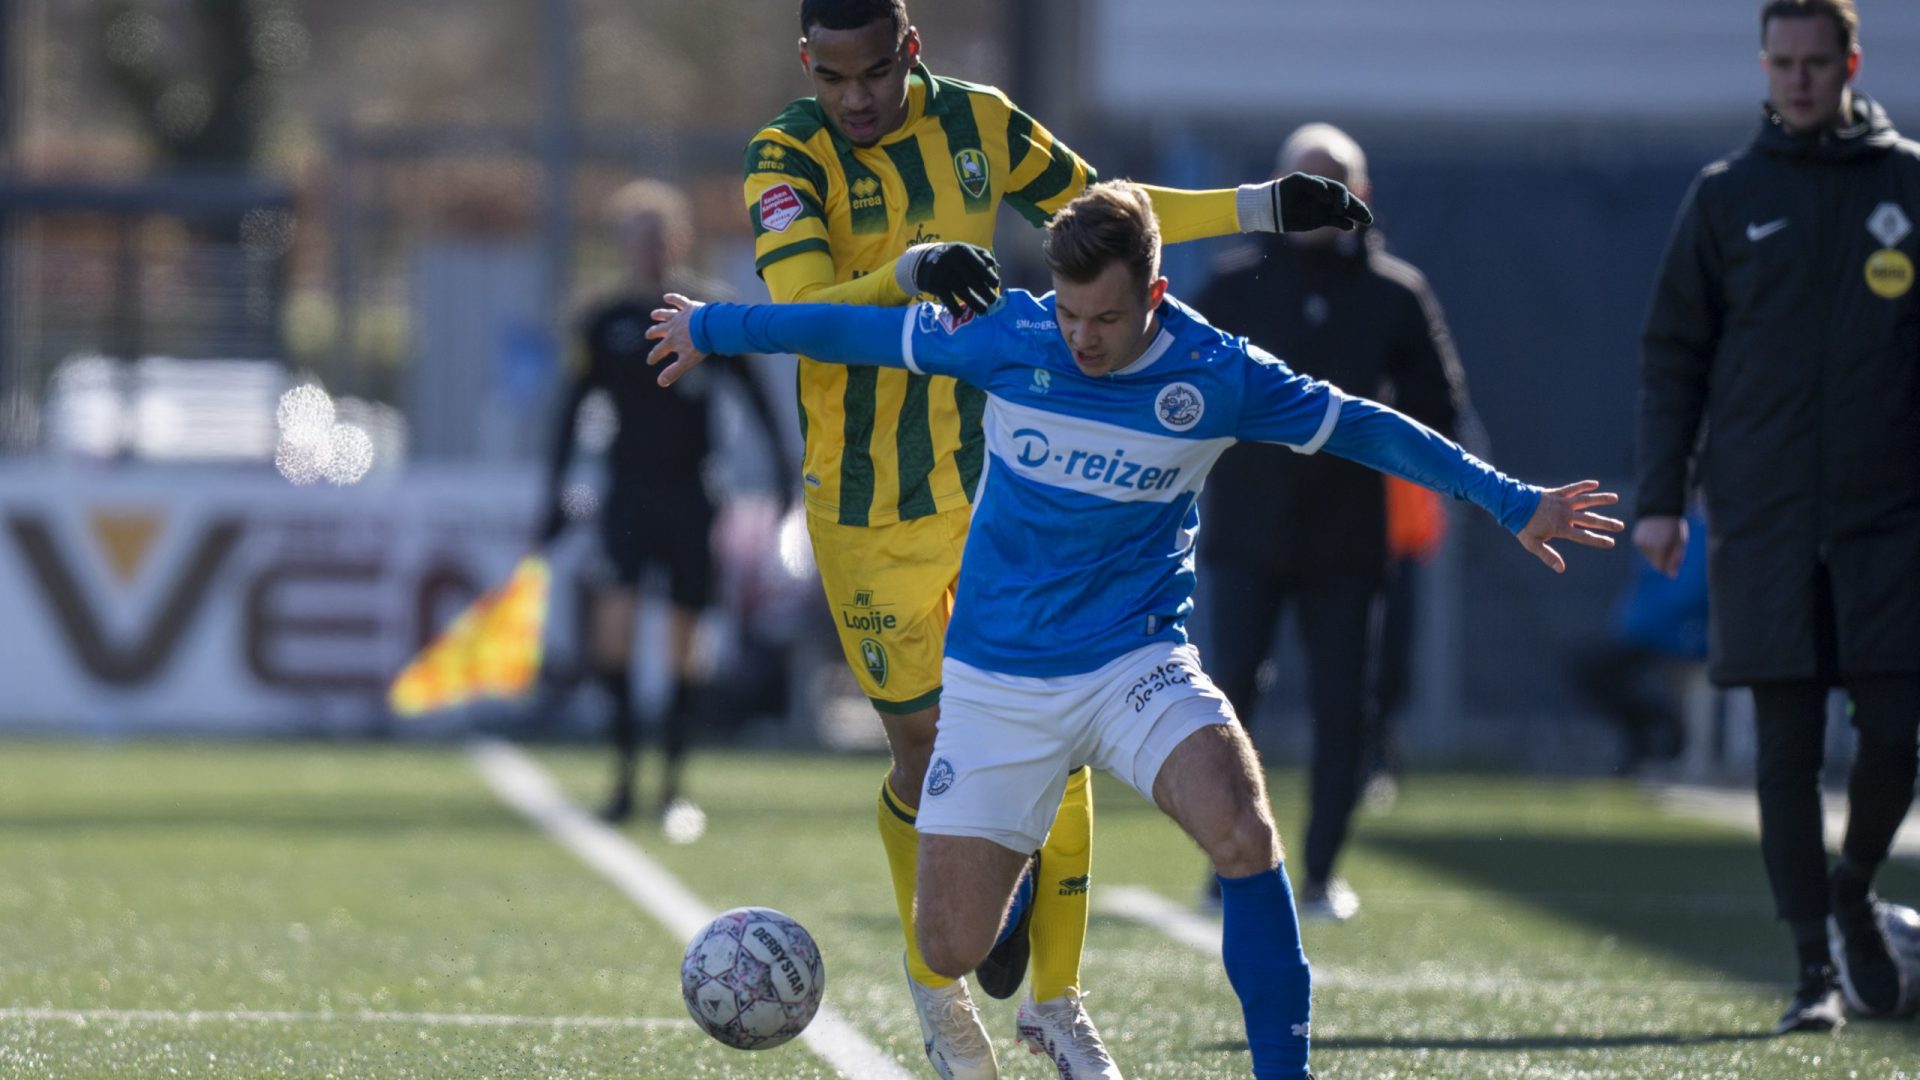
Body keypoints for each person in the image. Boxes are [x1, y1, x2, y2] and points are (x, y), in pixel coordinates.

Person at [649, 180, 1623, 1080]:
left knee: (1242, 829)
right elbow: (843, 334)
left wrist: (1508, 499)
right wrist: (714, 326)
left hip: (1135, 661)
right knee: (949, 946)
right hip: (997, 682)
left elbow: (1366, 424)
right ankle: (1012, 891)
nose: (1083, 339)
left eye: (1107, 317)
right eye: (1070, 314)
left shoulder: (1216, 371)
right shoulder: (1007, 334)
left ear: (1155, 292)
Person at [742, 1, 1371, 1072]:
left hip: (992, 485)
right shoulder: (784, 156)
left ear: (911, 50)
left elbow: (1116, 214)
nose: (857, 99)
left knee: (1058, 709)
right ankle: (940, 996)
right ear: (808, 63)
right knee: (920, 750)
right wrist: (910, 270)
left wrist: (1264, 204)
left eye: (876, 75)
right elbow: (803, 301)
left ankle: (1056, 1002)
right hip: (863, 510)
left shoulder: (980, 124)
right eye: (834, 77)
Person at [1636, 0, 1920, 1033]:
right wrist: (1661, 501)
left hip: (1890, 525)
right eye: (1781, 62)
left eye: (1815, 62)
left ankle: (1854, 887)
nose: (1797, 80)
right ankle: (1814, 969)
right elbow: (1674, 356)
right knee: (1785, 751)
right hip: (1763, 522)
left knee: (1894, 735)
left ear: (1849, 63)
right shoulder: (1725, 198)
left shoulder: (1909, 184)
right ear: (1765, 66)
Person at [1192, 124, 1470, 920]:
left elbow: (1440, 411)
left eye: (1334, 183)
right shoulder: (1233, 286)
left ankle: (1318, 873)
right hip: (1246, 532)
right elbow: (1176, 391)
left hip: (1347, 542)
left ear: (1362, 196)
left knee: (1345, 707)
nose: (1318, 201)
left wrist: (1375, 433)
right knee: (1227, 699)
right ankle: (1232, 862)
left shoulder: (1395, 292)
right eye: (1302, 183)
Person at [538, 179, 790, 825]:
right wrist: (554, 494)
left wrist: (786, 475)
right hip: (628, 494)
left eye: (660, 235)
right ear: (622, 245)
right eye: (636, 235)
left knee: (684, 640)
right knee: (614, 634)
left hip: (692, 496)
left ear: (679, 240)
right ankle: (623, 780)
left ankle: (673, 787)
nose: (649, 247)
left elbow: (756, 399)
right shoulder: (604, 320)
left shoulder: (709, 314)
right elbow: (570, 410)